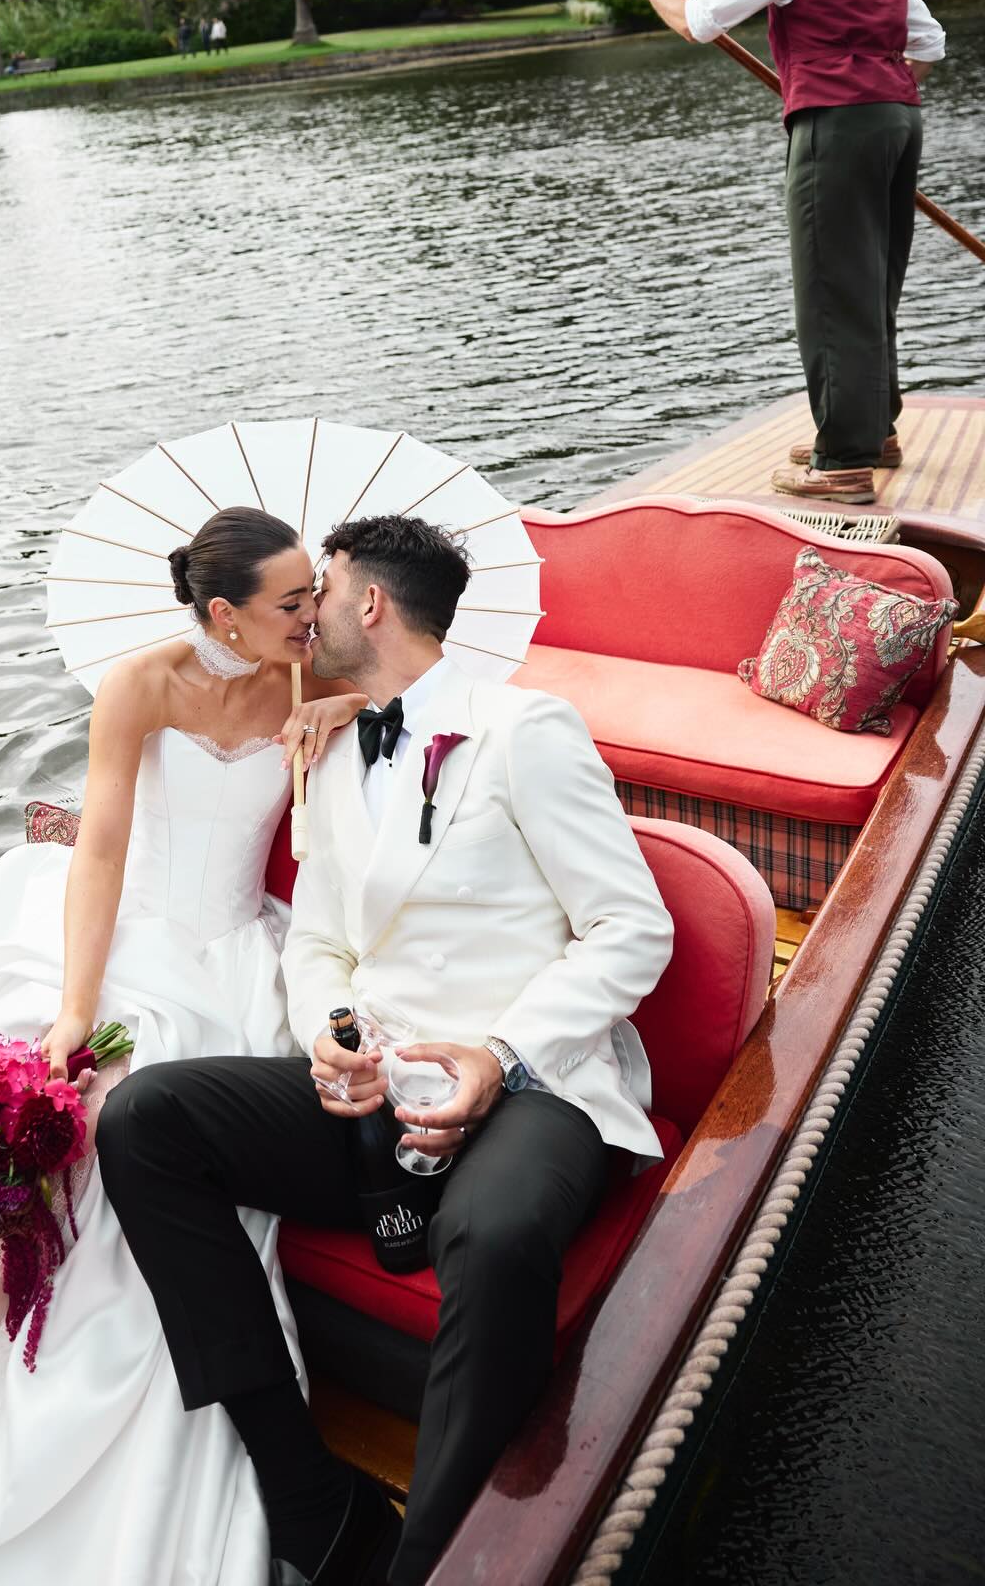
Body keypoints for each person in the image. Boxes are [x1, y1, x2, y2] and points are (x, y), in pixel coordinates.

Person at [0, 507, 366, 1585]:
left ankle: (46, 1328)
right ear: (223, 614)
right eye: (292, 603)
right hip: (130, 930)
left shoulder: (308, 678)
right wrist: (76, 1005)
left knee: (160, 1115)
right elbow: (98, 848)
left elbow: (382, 715)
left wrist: (340, 716)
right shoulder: (140, 685)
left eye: (312, 598)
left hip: (244, 953)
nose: (313, 616)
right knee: (83, 1074)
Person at [99, 514, 675, 1586]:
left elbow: (634, 928)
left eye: (323, 588)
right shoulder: (327, 746)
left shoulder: (524, 731)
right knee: (144, 1120)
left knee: (494, 1237)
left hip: (532, 1085)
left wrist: (500, 1054)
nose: (306, 611)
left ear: (370, 604)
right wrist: (331, 1035)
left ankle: (432, 1563)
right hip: (378, 1089)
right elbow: (317, 941)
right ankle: (307, 1497)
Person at [592, 0, 946, 507]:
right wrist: (876, 89)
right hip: (899, 119)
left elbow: (698, 18)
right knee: (873, 283)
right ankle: (872, 430)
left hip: (839, 128)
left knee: (832, 289)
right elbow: (927, 46)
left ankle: (843, 459)